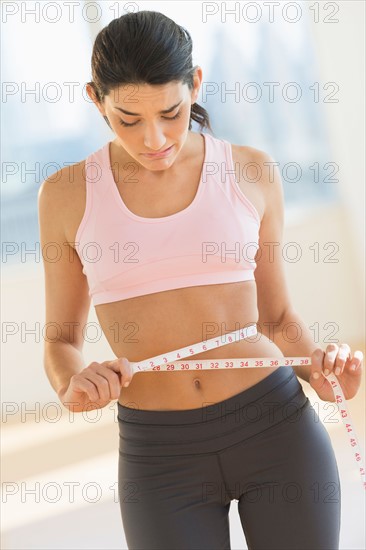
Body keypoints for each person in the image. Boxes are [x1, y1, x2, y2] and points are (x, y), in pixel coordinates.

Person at [38, 10, 363, 550]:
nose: (155, 138)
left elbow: (278, 320)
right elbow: (60, 342)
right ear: (95, 99)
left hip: (275, 424)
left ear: (196, 84)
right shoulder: (68, 194)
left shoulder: (250, 171)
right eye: (128, 119)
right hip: (159, 453)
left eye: (172, 112)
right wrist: (71, 384)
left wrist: (324, 375)